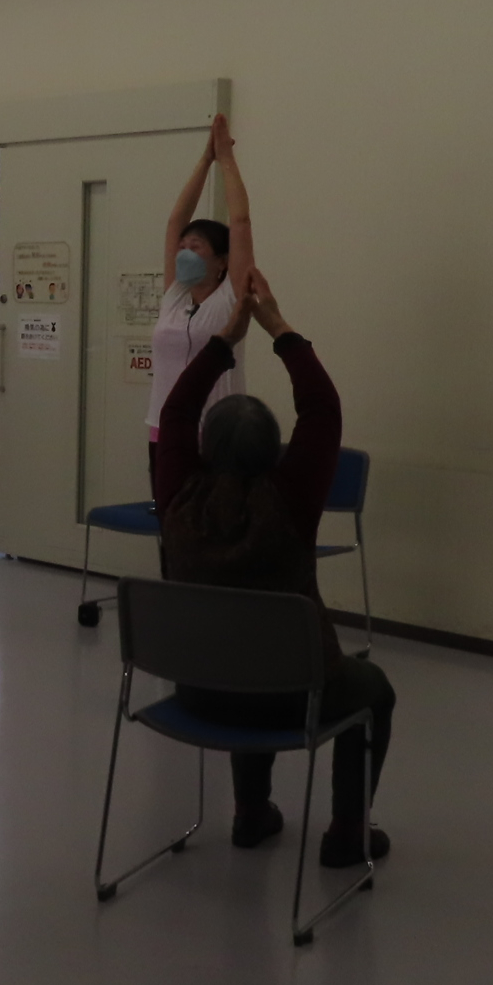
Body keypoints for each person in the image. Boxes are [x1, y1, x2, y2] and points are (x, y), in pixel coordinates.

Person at [152, 266, 396, 864]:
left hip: (197, 688)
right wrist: (276, 326)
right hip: (294, 692)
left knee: (242, 649)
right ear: (274, 453)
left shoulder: (176, 495)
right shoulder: (290, 501)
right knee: (373, 689)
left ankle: (251, 812)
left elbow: (176, 413)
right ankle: (348, 833)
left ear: (203, 447)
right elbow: (322, 409)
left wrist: (224, 340)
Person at [147, 113, 254, 466]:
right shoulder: (175, 296)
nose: (184, 253)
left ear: (221, 261)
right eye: (182, 247)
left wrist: (226, 159)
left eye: (196, 247)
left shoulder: (230, 297)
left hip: (218, 435)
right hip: (165, 431)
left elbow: (240, 222)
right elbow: (174, 223)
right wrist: (205, 159)